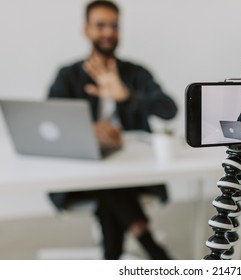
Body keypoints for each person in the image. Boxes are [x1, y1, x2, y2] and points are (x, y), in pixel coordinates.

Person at [47, 0, 177, 260]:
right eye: (100, 25)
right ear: (86, 30)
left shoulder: (135, 74)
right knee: (106, 180)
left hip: (133, 172)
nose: (108, 32)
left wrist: (127, 96)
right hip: (82, 174)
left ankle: (112, 262)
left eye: (114, 26)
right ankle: (148, 241)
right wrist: (89, 131)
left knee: (110, 186)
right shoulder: (69, 76)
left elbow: (169, 110)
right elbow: (52, 124)